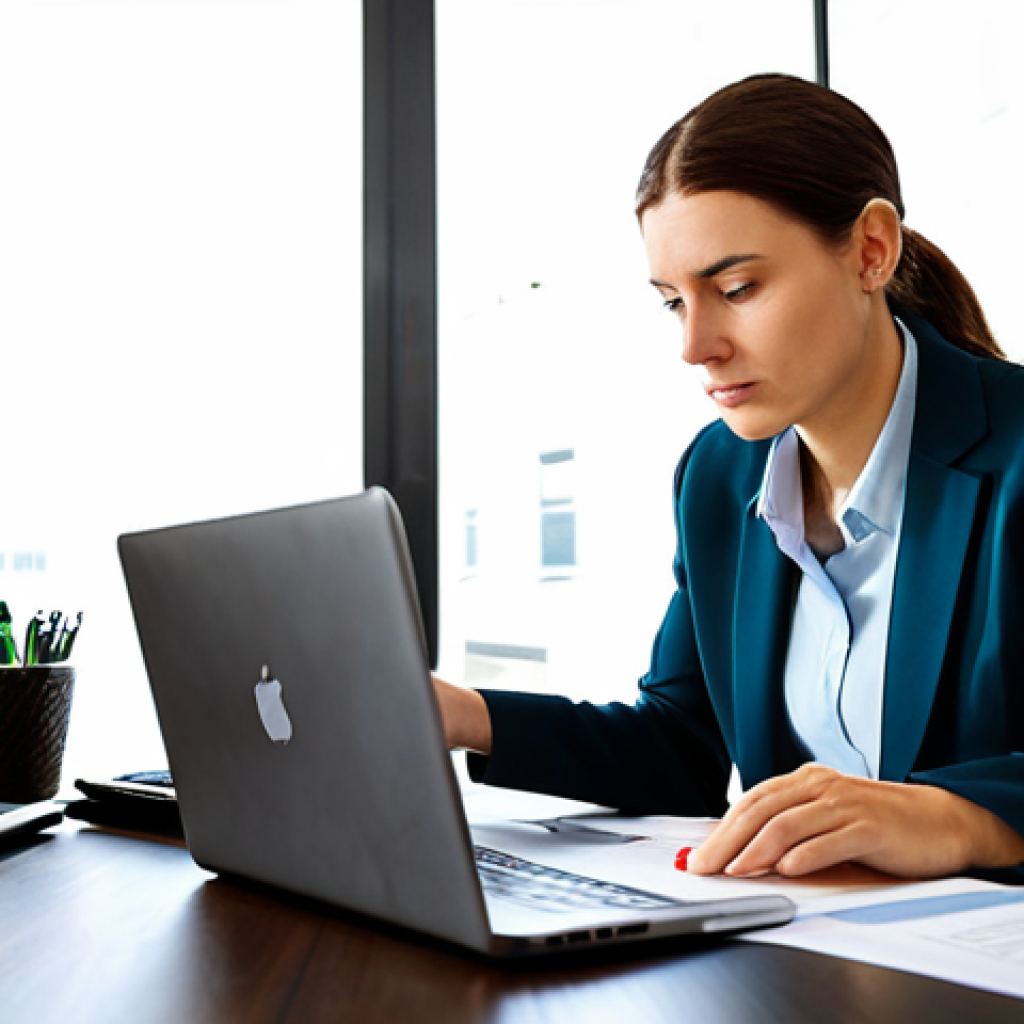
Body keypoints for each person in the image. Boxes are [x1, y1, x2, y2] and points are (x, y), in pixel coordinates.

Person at [433, 73, 1024, 883]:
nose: (696, 344)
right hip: (813, 959)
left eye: (737, 289)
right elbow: (682, 745)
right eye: (673, 302)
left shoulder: (1016, 455)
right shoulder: (718, 476)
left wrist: (963, 817)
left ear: (872, 251)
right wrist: (466, 716)